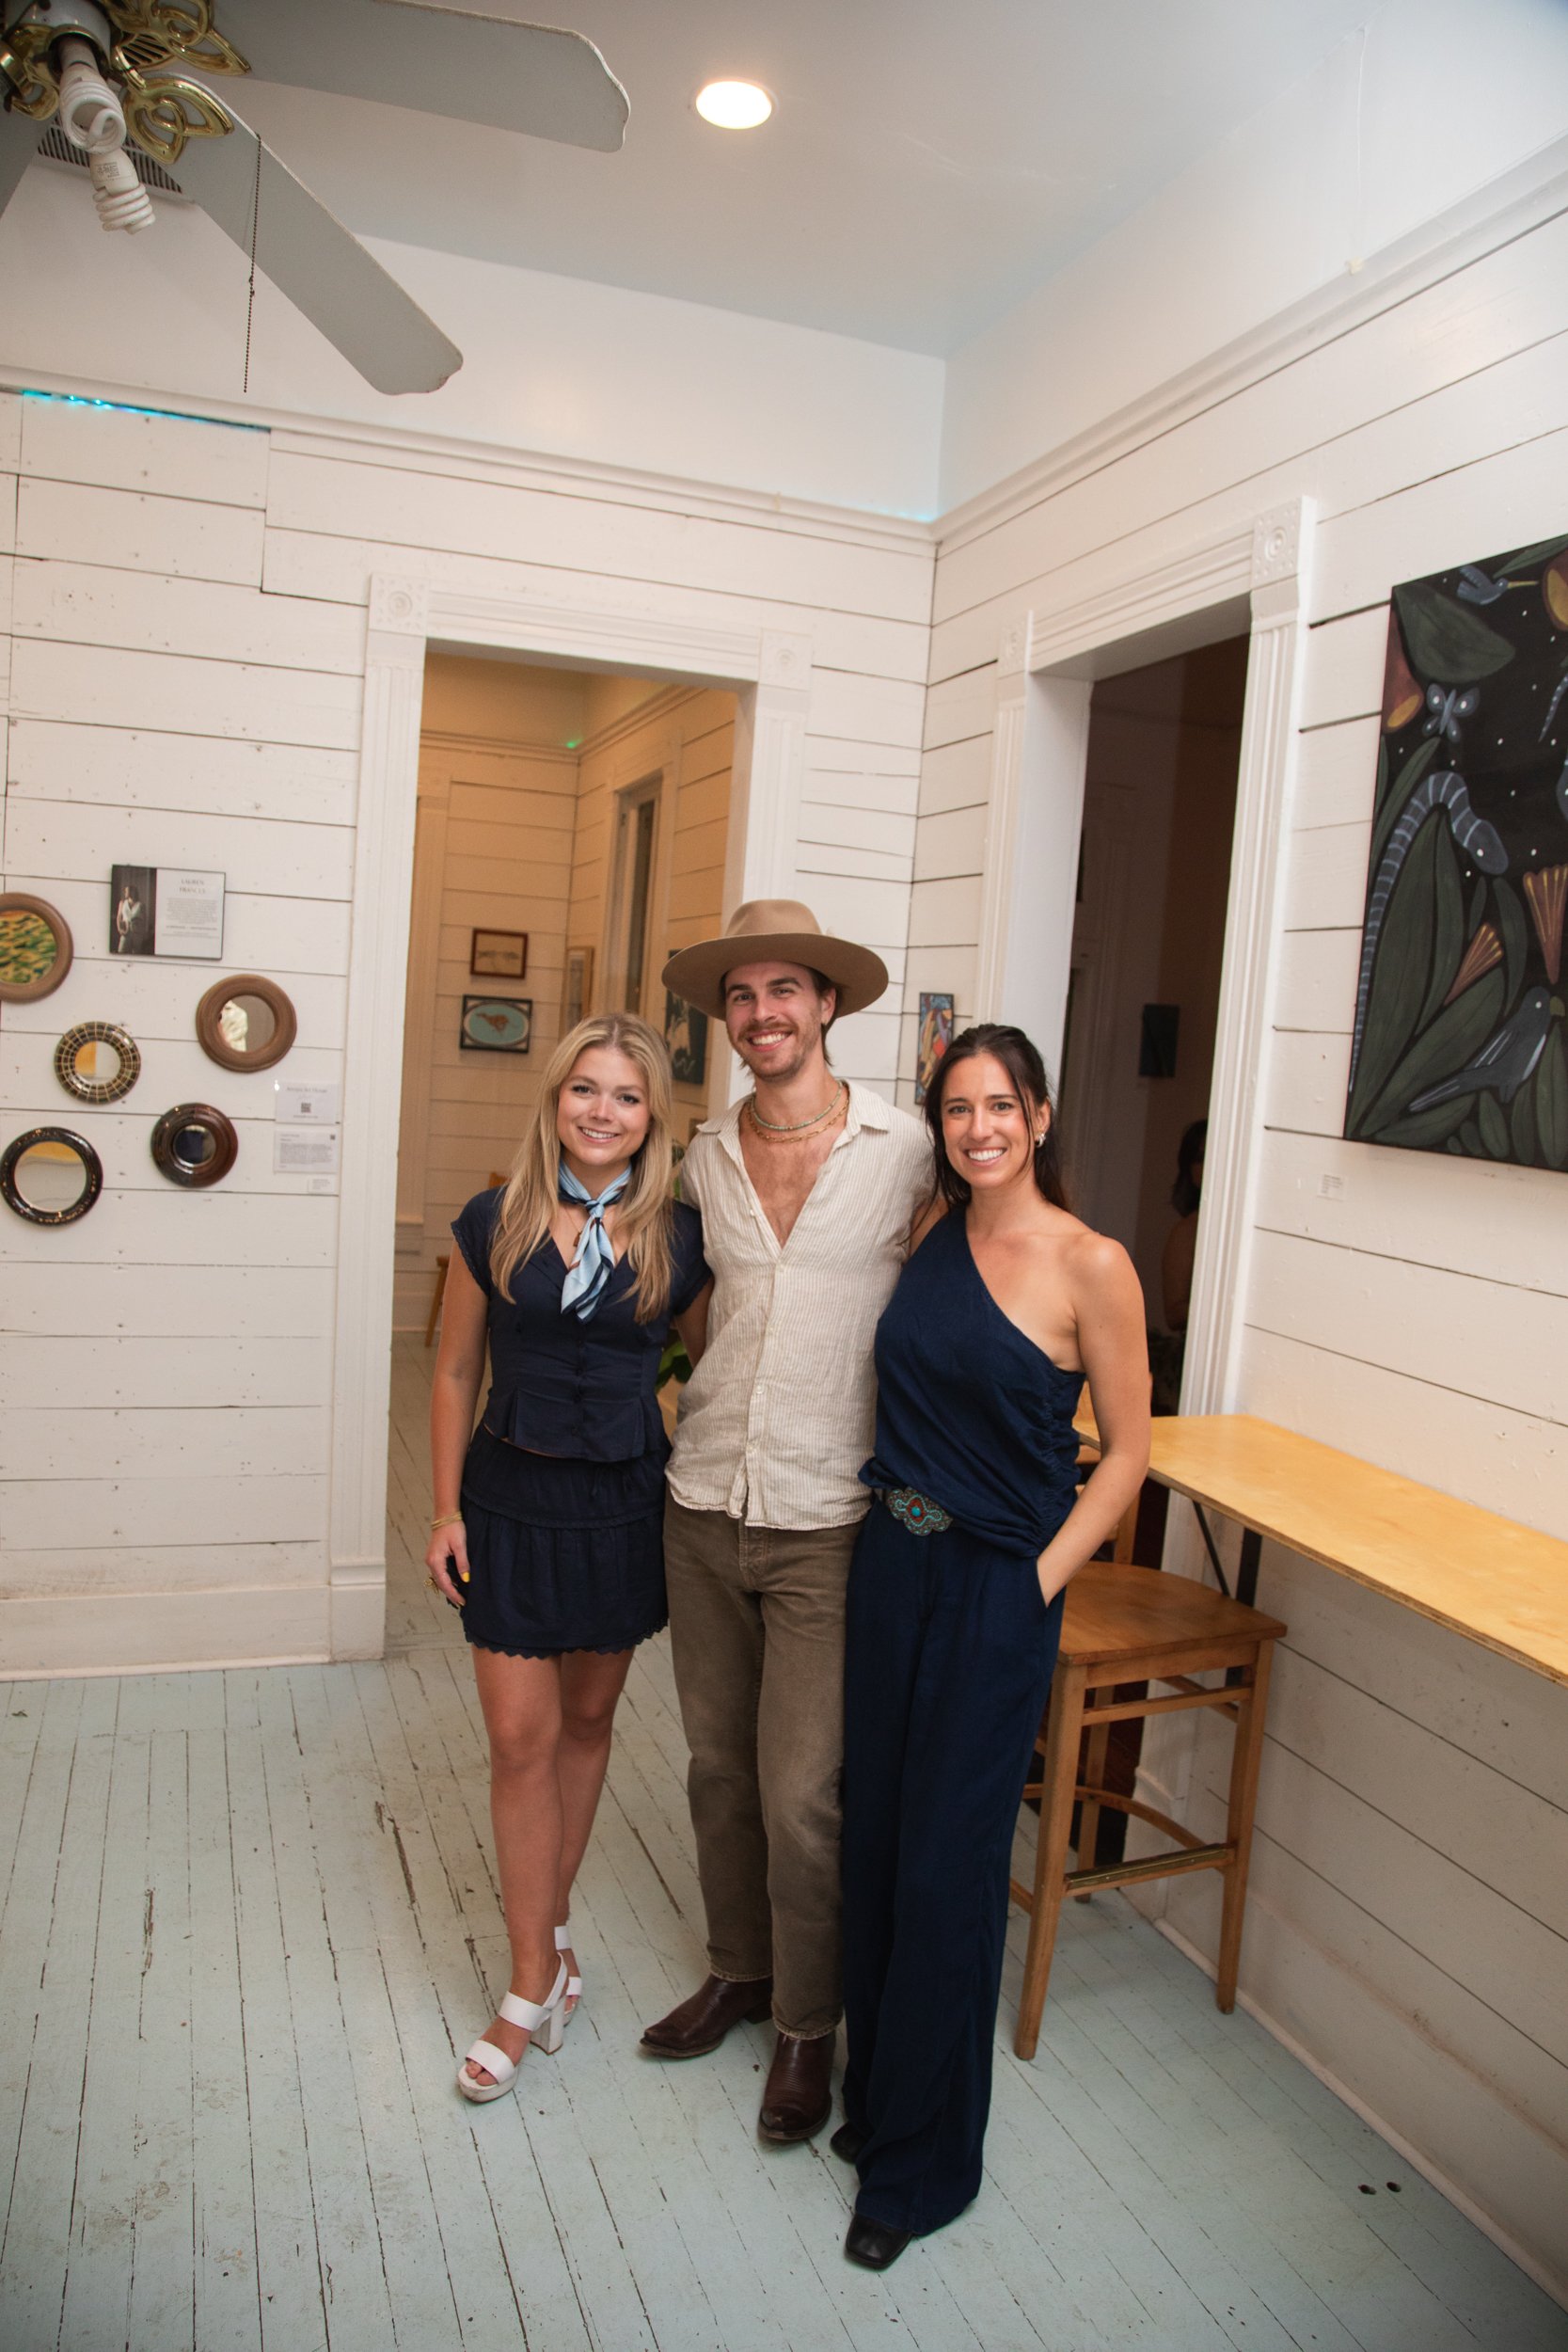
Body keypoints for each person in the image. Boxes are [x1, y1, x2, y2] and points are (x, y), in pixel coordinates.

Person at [836, 1022, 1150, 2268]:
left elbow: (1125, 1450)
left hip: (991, 1590)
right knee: (872, 1844)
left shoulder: (1091, 1263)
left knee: (946, 1873)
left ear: (1039, 1113)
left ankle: (923, 2171)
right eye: (958, 1107)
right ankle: (877, 2111)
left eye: (1000, 1106)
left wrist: (1032, 1582)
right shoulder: (931, 1236)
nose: (979, 1127)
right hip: (889, 1561)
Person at [639, 900, 932, 2146]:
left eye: (782, 993)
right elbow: (664, 1287)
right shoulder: (700, 1154)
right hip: (703, 1501)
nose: (761, 1016)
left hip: (828, 1515)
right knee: (714, 1770)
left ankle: (807, 2026)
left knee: (800, 1791)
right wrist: (660, 1377)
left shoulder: (907, 1149)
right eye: (739, 998)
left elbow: (967, 1293)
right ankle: (739, 1970)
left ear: (824, 1005)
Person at [426, 1013, 711, 2104]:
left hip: (624, 1508)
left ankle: (548, 1952)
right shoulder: (490, 1219)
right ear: (554, 1101)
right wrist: (442, 1509)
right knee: (516, 1739)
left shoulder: (680, 1236)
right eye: (583, 1089)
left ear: (653, 1118)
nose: (602, 1110)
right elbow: (455, 1372)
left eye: (626, 1096)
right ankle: (526, 1978)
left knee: (587, 1727)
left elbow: (713, 1359)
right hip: (509, 1499)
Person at [1153, 1117, 1206, 1414]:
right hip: (1191, 1362)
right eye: (1199, 1158)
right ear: (1190, 1171)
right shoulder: (1186, 1232)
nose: (1208, 1165)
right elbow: (1173, 1314)